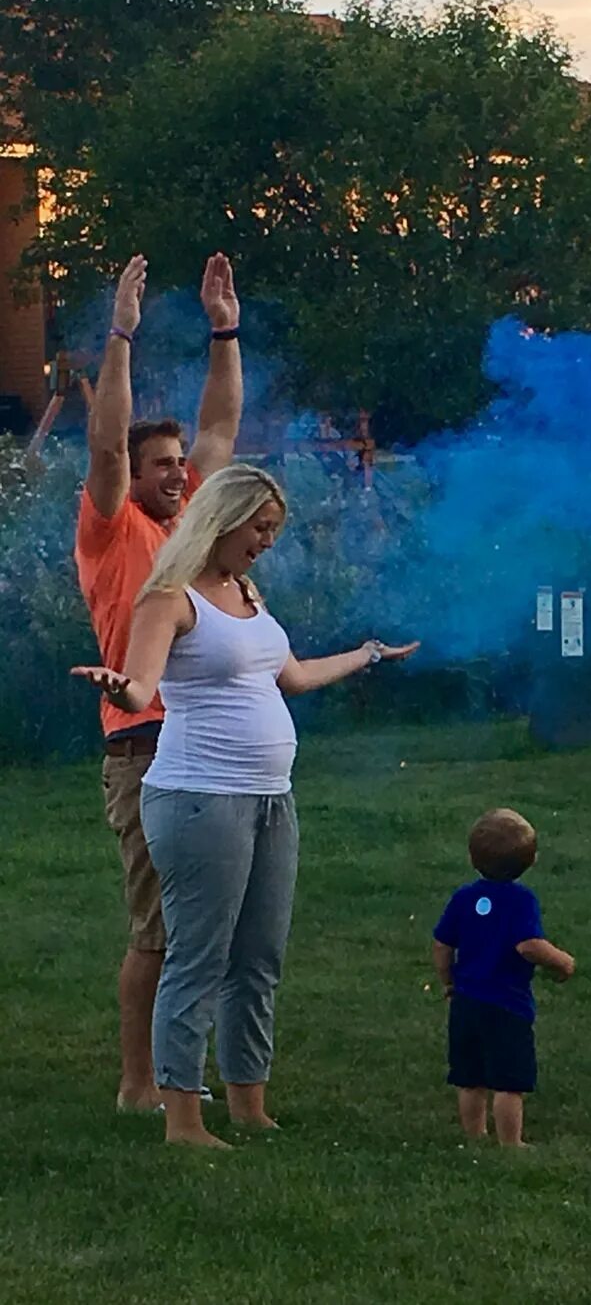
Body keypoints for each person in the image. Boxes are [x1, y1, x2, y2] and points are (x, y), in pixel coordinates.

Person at [72, 464, 420, 1148]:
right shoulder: (168, 599)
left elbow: (289, 676)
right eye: (260, 527)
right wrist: (119, 689)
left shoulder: (246, 592)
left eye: (274, 530)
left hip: (269, 799)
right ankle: (182, 1117)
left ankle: (248, 1102)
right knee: (198, 957)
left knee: (259, 956)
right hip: (200, 798)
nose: (267, 541)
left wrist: (367, 655)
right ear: (224, 520)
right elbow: (142, 689)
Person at [75, 251, 244, 1114]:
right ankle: (139, 1084)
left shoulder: (191, 523)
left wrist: (224, 329)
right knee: (158, 927)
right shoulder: (112, 530)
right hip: (141, 747)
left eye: (179, 463)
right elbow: (107, 439)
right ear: (131, 482)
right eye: (161, 465)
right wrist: (121, 335)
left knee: (205, 927)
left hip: (206, 743)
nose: (178, 473)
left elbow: (221, 431)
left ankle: (180, 1072)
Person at [432, 809, 575, 1148]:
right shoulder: (521, 900)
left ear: (472, 858)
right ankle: (512, 1143)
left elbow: (441, 944)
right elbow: (528, 946)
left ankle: (474, 1135)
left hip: (465, 1002)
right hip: (506, 1005)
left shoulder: (464, 898)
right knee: (509, 1082)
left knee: (470, 1078)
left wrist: (448, 981)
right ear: (531, 860)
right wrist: (563, 962)